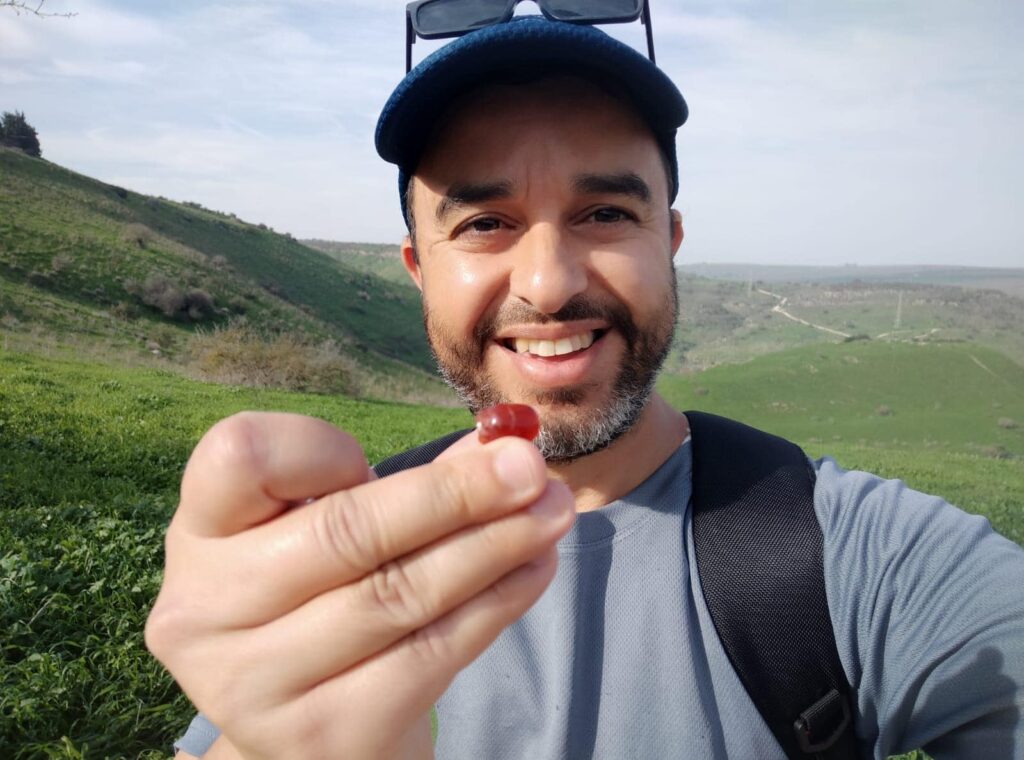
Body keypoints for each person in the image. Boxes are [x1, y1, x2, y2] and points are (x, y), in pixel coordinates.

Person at [146, 10, 1024, 760]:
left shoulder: (856, 556)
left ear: (668, 240)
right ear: (418, 267)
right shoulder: (329, 570)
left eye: (606, 213)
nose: (550, 282)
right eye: (485, 223)